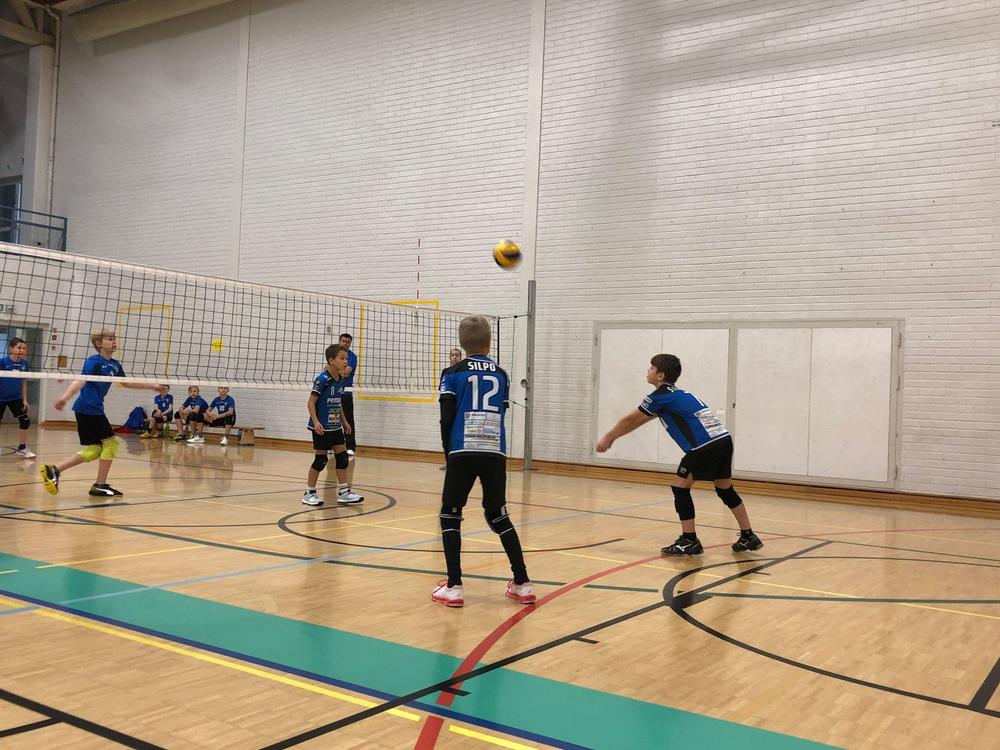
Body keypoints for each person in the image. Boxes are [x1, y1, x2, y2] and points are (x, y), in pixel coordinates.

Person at [596, 353, 763, 555]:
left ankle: (689, 540)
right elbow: (639, 420)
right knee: (724, 489)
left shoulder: (659, 397)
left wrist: (609, 437)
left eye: (651, 367)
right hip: (723, 440)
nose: (648, 370)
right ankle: (748, 536)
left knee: (680, 487)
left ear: (660, 375)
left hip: (704, 447)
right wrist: (618, 435)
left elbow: (630, 419)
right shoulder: (679, 394)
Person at [433, 316, 534, 608]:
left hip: (462, 448)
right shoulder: (501, 374)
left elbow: (446, 418)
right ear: (489, 342)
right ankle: (523, 583)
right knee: (498, 514)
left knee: (450, 514)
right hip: (494, 449)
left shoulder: (452, 372)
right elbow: (501, 411)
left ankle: (454, 586)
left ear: (462, 344)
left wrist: (448, 452)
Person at [39, 329, 161, 497]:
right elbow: (81, 380)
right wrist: (65, 397)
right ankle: (100, 485)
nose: (114, 341)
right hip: (89, 408)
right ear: (99, 343)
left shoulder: (115, 364)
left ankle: (54, 470)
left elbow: (126, 383)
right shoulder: (93, 361)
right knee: (111, 444)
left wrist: (152, 386)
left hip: (90, 409)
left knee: (96, 449)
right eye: (110, 339)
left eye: (114, 339)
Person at [302, 344, 363, 507]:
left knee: (342, 458)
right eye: (342, 358)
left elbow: (338, 403)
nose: (345, 361)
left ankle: (344, 492)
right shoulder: (322, 379)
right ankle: (309, 493)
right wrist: (316, 422)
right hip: (322, 427)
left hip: (335, 426)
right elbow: (311, 402)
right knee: (321, 460)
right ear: (331, 361)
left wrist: (344, 421)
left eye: (346, 358)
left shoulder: (341, 380)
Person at [0, 337, 35, 458]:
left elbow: (24, 382)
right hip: (1, 398)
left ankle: (22, 448)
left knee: (25, 421)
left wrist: (24, 399)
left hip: (15, 398)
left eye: (24, 348)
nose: (22, 350)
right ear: (11, 349)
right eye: (19, 347)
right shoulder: (2, 362)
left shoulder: (24, 364)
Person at [438, 348, 463, 470]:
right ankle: (448, 462)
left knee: (457, 434)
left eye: (457, 355)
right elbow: (442, 390)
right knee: (445, 435)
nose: (454, 357)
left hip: (456, 404)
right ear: (449, 358)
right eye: (452, 355)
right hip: (445, 405)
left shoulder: (462, 371)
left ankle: (458, 462)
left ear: (461, 358)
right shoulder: (445, 372)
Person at [338, 332, 358, 456]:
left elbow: (346, 373)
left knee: (348, 419)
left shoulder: (352, 357)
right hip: (333, 391)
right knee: (332, 419)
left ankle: (350, 446)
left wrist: (335, 369)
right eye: (343, 341)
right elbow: (326, 369)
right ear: (339, 341)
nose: (345, 343)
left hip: (346, 392)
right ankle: (332, 445)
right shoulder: (334, 354)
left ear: (350, 343)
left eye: (348, 342)